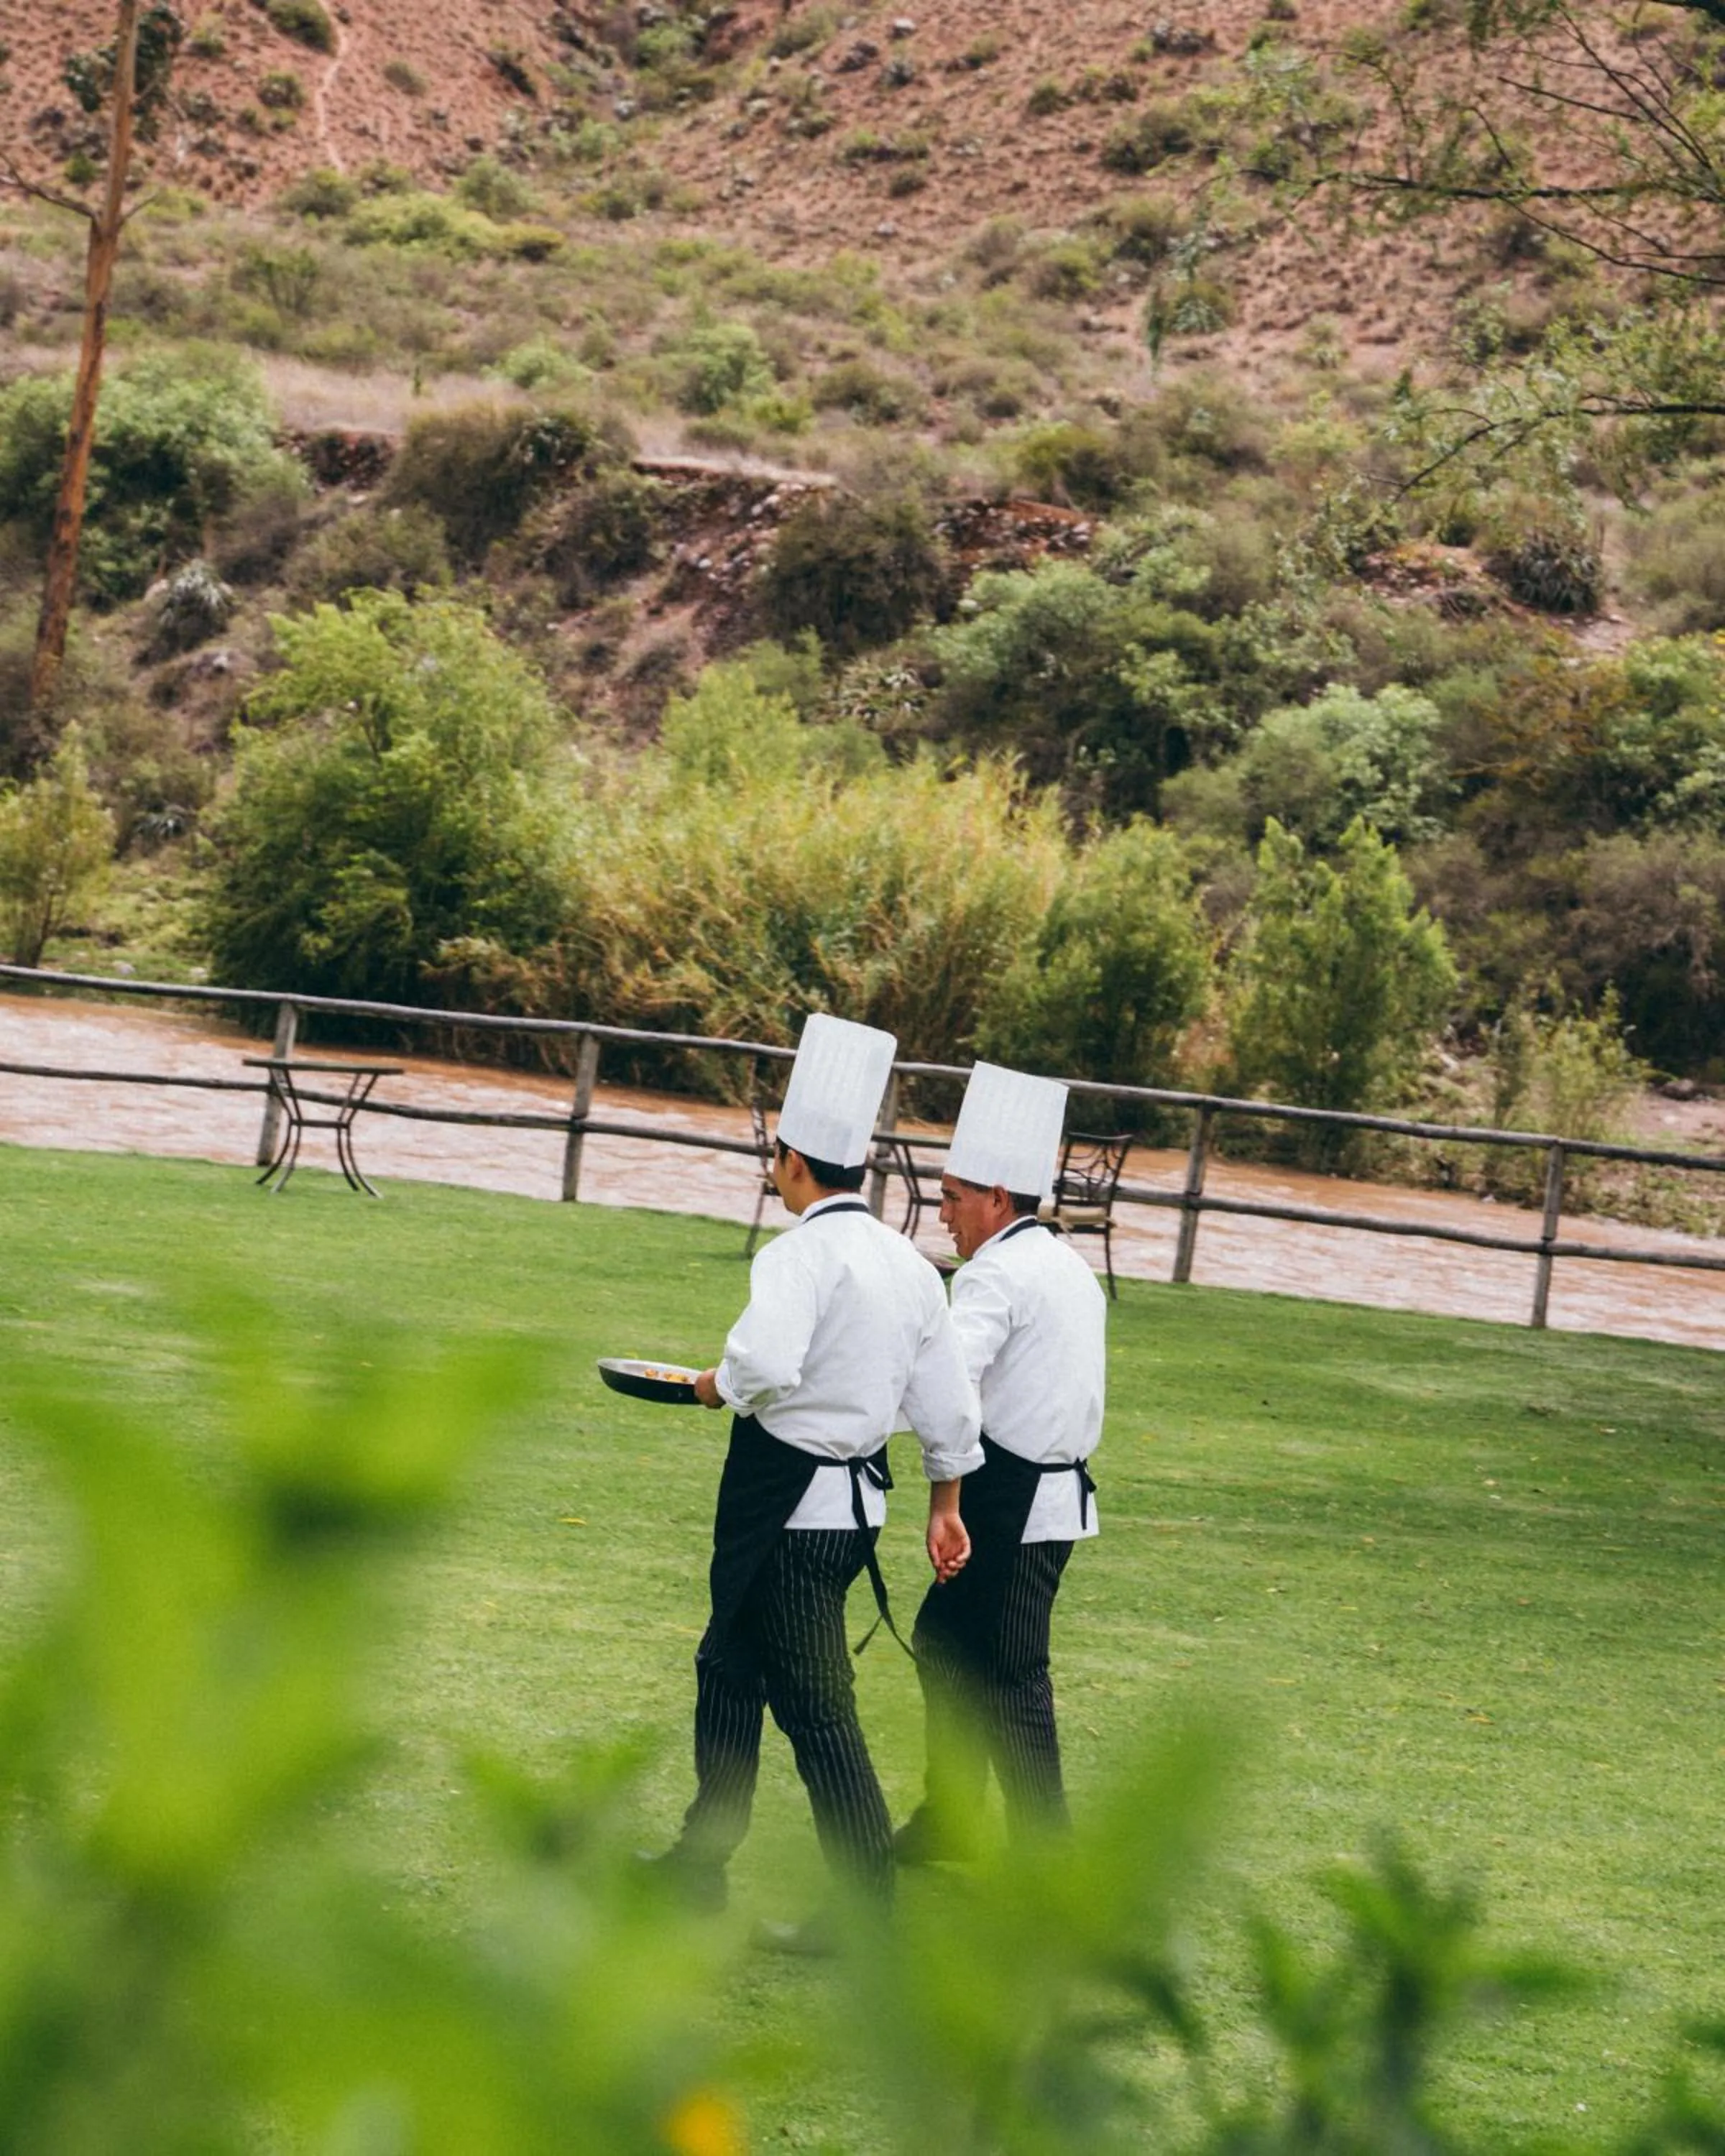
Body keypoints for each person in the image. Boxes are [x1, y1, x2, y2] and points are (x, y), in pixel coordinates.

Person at [649, 1013, 982, 1935]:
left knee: (818, 1709)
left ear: (792, 1162)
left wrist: (715, 1386)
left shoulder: (796, 1254)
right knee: (726, 1667)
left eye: (775, 1156)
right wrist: (947, 1502)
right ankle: (701, 1862)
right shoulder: (910, 1265)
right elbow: (951, 1408)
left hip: (790, 1509)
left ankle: (865, 1912)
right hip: (849, 1508)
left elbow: (762, 1365)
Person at [896, 1061, 1107, 1863]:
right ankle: (952, 1816)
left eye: (951, 1197)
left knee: (1014, 1679)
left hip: (1015, 1498)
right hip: (1043, 1492)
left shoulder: (995, 1273)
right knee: (945, 1643)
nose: (942, 1214)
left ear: (995, 1198)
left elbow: (949, 1385)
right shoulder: (1067, 1266)